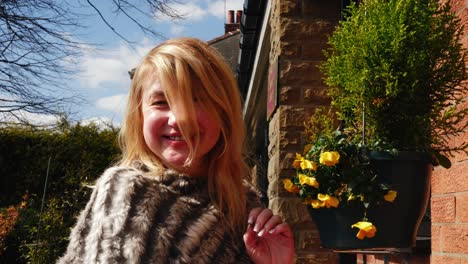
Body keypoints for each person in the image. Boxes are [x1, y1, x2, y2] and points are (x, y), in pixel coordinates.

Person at [57, 37, 294, 264]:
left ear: (224, 114)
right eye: (161, 102)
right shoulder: (126, 192)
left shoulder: (245, 211)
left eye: (197, 100)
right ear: (139, 116)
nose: (180, 119)